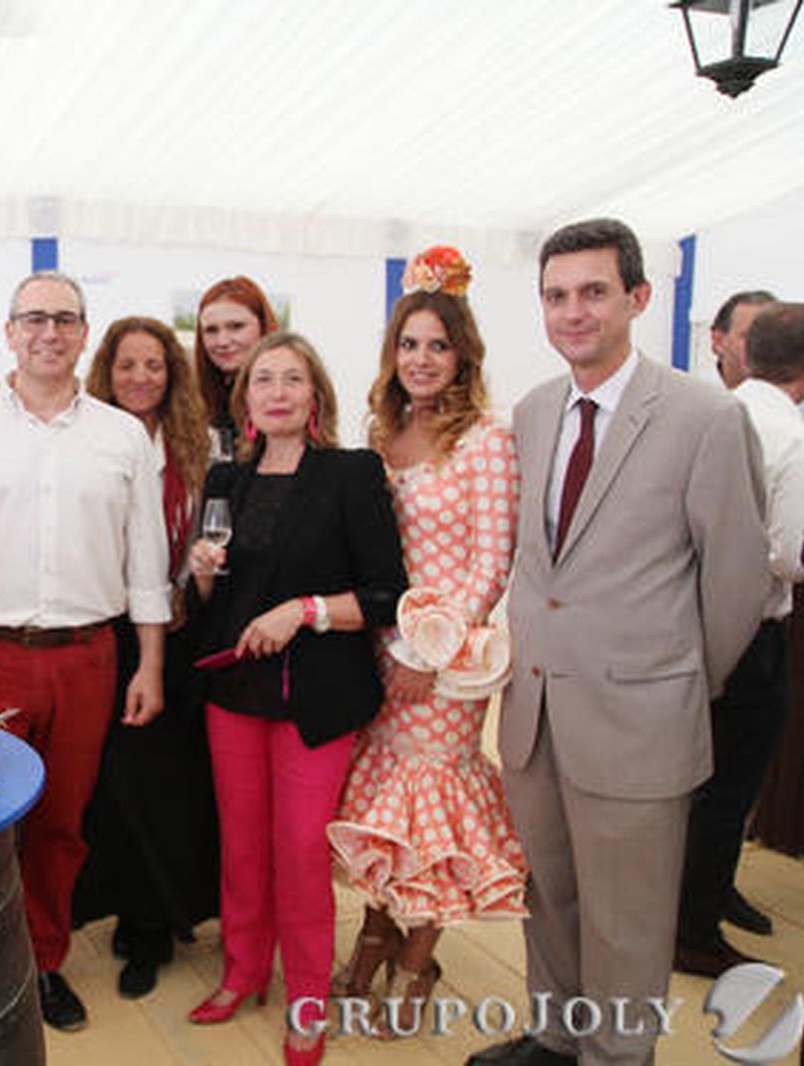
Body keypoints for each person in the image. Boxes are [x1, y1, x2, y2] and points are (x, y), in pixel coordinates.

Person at [466, 219, 770, 1066]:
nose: (574, 312)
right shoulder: (532, 412)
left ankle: (615, 1057)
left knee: (628, 919)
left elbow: (738, 580)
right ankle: (555, 1037)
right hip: (535, 714)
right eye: (556, 295)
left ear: (637, 298)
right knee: (550, 895)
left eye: (594, 291)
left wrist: (672, 683)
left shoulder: (703, 417)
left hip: (642, 718)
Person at [0, 271, 171, 1032]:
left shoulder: (121, 437)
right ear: (9, 332)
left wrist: (149, 662)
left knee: (60, 822)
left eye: (66, 318)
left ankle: (41, 960)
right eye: (34, 318)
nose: (50, 331)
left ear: (86, 334)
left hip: (88, 658)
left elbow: (145, 560)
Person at [183, 332, 406, 1065]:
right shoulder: (226, 482)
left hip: (317, 694)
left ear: (316, 396)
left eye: (292, 379)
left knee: (303, 852)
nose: (276, 391)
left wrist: (304, 610)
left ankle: (307, 997)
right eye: (262, 380)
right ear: (244, 400)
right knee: (241, 847)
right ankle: (244, 971)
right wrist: (204, 573)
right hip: (234, 689)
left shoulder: (351, 473)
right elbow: (213, 609)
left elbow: (386, 594)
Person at [327, 247, 526, 1036]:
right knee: (381, 803)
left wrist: (427, 653)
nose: (421, 359)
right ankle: (376, 937)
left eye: (437, 345)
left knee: (429, 801)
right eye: (409, 344)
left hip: (447, 662)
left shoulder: (484, 438)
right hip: (378, 648)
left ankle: (414, 963)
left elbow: (492, 559)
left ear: (463, 354)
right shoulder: (382, 432)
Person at [71, 316, 218, 1000]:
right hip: (108, 628)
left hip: (181, 631)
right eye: (127, 365)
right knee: (113, 784)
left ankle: (155, 924)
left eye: (154, 365)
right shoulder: (86, 441)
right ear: (106, 371)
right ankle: (120, 908)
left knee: (168, 786)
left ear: (173, 373)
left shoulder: (200, 446)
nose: (140, 378)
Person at [675, 300, 804, 975]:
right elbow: (783, 555)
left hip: (687, 623)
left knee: (694, 782)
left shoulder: (708, 413)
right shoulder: (788, 433)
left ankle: (689, 905)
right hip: (752, 632)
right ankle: (694, 928)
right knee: (729, 788)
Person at [194, 276, 279, 448]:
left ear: (262, 327)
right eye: (211, 330)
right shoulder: (200, 399)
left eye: (236, 326)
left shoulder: (286, 396)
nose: (222, 341)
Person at [711, 291, 777, 390]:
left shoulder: (793, 402)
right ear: (718, 341)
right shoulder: (690, 398)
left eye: (774, 338)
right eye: (752, 336)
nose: (765, 346)